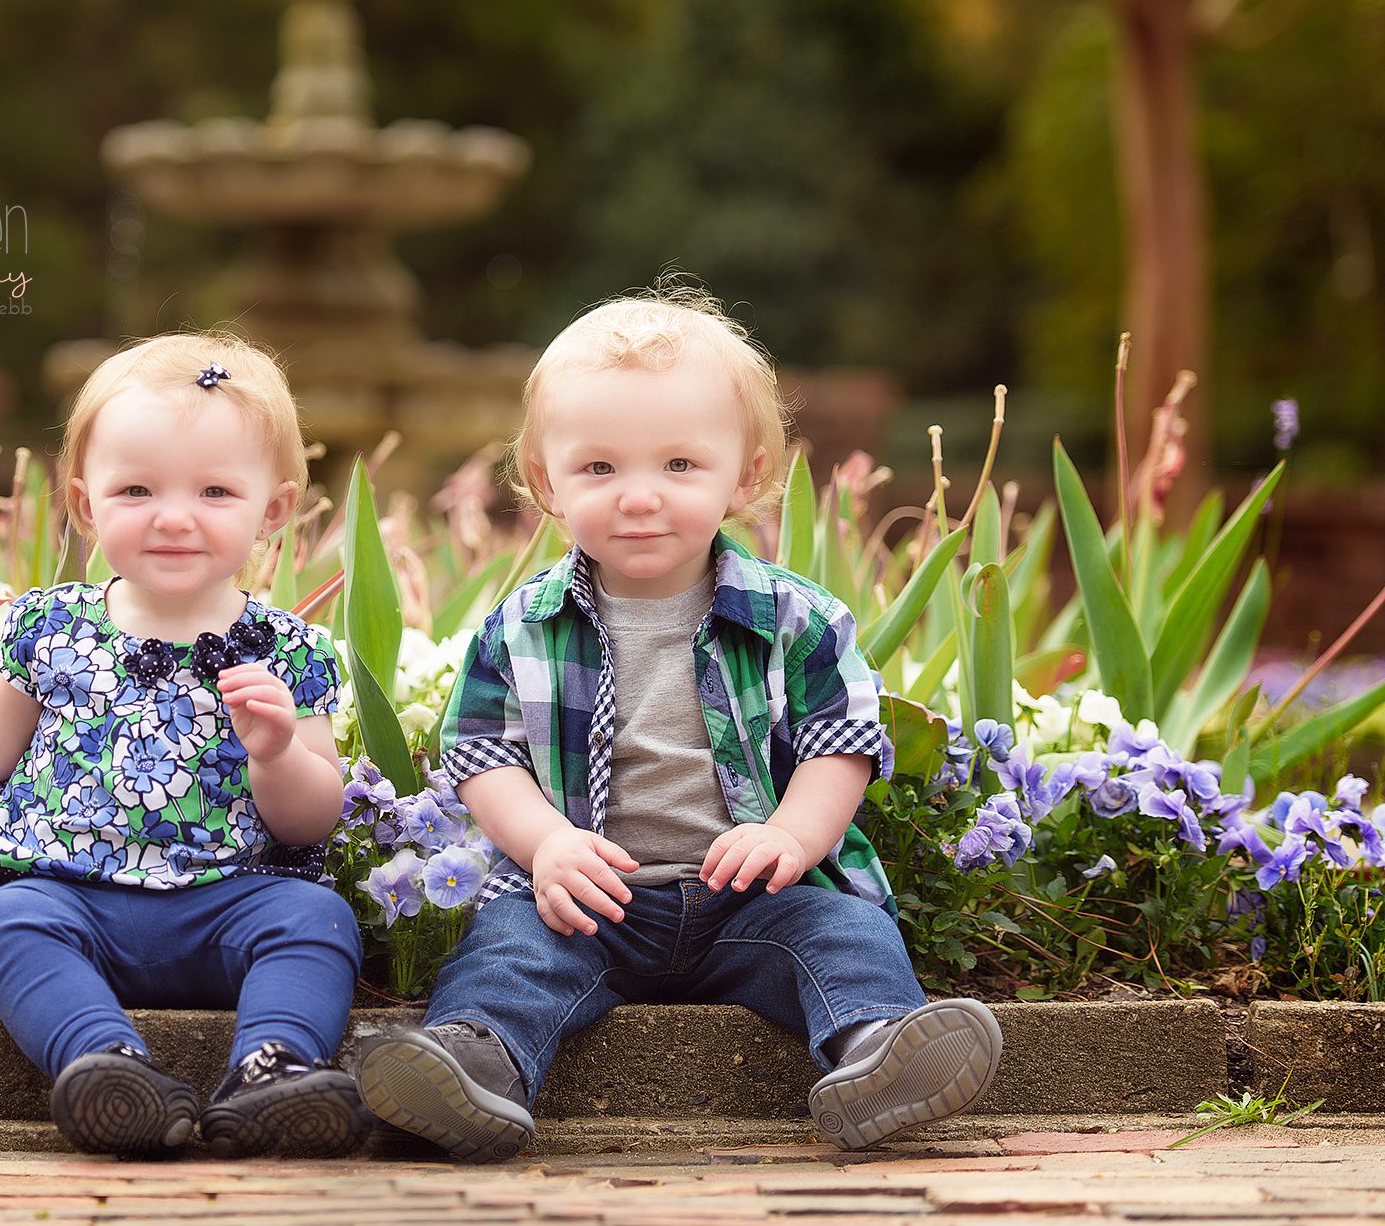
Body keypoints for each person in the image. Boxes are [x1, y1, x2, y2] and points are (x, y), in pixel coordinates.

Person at [355, 283, 1002, 1161]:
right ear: (545, 482)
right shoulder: (520, 627)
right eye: (599, 469)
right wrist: (546, 843)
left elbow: (842, 741)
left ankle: (878, 1052)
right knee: (510, 951)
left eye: (680, 466)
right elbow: (481, 755)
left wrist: (793, 835)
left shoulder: (796, 619)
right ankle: (476, 1064)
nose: (638, 497)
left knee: (845, 935)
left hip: (757, 899)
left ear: (749, 474)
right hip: (593, 902)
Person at [0, 333, 366, 1159]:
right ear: (85, 503)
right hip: (67, 892)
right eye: (137, 489)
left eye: (215, 491)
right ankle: (107, 1066)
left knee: (315, 919)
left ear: (274, 510)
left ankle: (271, 1070)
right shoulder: (54, 626)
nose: (173, 516)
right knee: (2, 920)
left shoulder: (286, 653)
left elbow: (305, 824)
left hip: (228, 900)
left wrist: (278, 751)